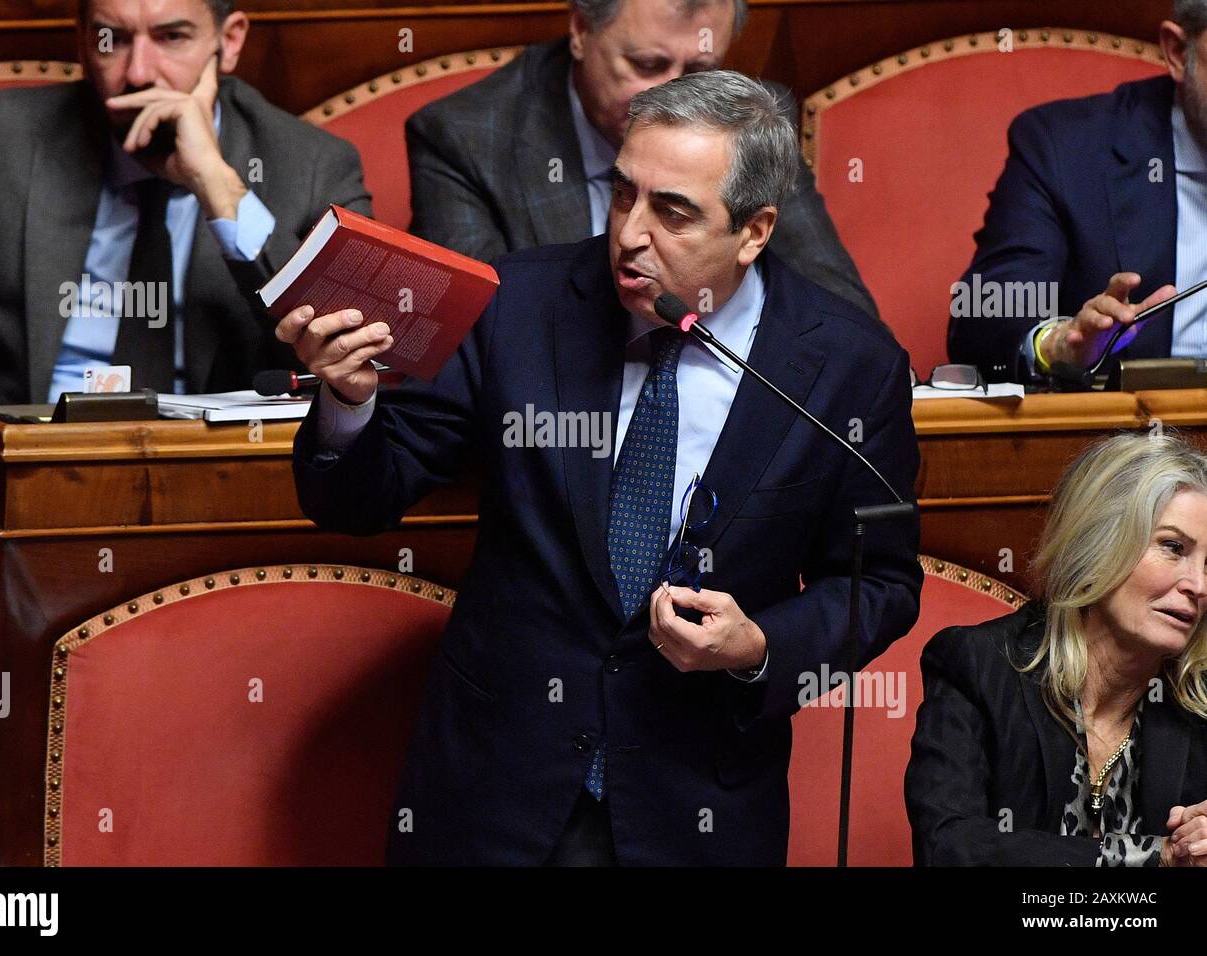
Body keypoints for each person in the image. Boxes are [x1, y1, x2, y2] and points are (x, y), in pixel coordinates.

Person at [283, 71, 921, 865]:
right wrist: (348, 402)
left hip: (696, 806)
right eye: (624, 195)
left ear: (755, 231)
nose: (629, 234)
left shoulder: (849, 366)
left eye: (673, 212)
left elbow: (881, 585)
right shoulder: (514, 305)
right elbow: (359, 499)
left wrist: (758, 644)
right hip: (496, 796)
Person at [0, 0, 370, 851]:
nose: (137, 72)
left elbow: (356, 354)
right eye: (111, 38)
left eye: (173, 38)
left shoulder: (309, 164)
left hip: (224, 521)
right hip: (13, 509)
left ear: (230, 40)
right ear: (82, 38)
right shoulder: (11, 137)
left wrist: (219, 187)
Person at [405, 0, 877, 320]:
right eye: (647, 66)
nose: (671, 93)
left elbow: (843, 315)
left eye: (699, 72)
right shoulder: (465, 135)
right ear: (582, 30)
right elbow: (479, 337)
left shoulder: (747, 124)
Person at [907, 432, 1207, 866]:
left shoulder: (1195, 699)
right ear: (1098, 542)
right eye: (1172, 547)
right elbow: (950, 848)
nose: (1197, 585)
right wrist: (1153, 857)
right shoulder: (978, 667)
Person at [948, 1, 1207, 384]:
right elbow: (985, 319)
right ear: (1177, 52)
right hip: (1136, 433)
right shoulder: (1066, 149)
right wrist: (1057, 346)